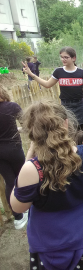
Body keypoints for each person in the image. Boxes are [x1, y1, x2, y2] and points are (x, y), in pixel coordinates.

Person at [10, 101, 83, 270]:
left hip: (50, 241)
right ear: (66, 123)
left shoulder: (32, 168)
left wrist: (29, 157)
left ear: (32, 131)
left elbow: (18, 206)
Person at [22, 46, 83, 131]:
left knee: (80, 132)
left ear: (73, 58)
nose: (63, 59)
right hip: (65, 106)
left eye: (66, 57)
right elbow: (47, 84)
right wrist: (31, 74)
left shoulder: (82, 73)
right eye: (61, 57)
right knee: (68, 132)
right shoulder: (58, 72)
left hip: (79, 105)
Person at [0, 86, 27, 229]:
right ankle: (27, 206)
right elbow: (27, 125)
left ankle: (18, 218)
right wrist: (17, 129)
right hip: (14, 149)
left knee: (9, 182)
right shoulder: (12, 106)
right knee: (22, 178)